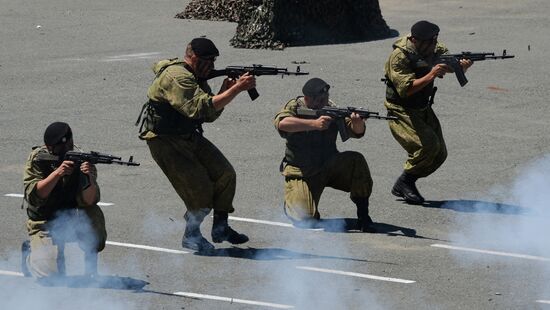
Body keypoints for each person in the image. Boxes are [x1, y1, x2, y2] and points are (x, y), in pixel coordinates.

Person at [138, 37, 256, 252]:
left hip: (188, 135)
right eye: (207, 60)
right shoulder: (178, 77)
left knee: (225, 174)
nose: (211, 65)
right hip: (165, 141)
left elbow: (209, 113)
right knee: (200, 193)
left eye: (213, 61)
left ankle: (221, 227)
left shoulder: (195, 75)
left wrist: (224, 90)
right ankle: (191, 235)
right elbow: (199, 109)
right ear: (192, 57)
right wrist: (236, 89)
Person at [383, 20, 473, 204]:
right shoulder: (399, 57)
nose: (434, 45)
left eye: (435, 40)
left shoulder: (433, 47)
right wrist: (432, 74)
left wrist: (460, 66)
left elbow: (446, 63)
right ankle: (405, 182)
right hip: (401, 109)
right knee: (428, 146)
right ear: (415, 40)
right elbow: (406, 89)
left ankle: (407, 181)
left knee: (440, 154)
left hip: (422, 106)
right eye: (430, 42)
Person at [274, 77, 376, 232]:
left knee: (356, 160)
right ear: (307, 98)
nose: (323, 102)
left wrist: (358, 122)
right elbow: (282, 123)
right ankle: (292, 201)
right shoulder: (295, 106)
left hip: (329, 165)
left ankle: (363, 215)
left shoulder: (331, 108)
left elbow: (357, 132)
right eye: (318, 100)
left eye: (325, 98)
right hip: (302, 171)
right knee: (305, 219)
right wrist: (313, 124)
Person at [22, 122, 107, 279]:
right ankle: (29, 255)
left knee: (92, 213)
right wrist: (57, 174)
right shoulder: (38, 160)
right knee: (49, 276)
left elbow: (88, 201)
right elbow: (34, 196)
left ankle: (89, 269)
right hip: (44, 222)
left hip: (70, 220)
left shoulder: (81, 160)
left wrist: (89, 177)